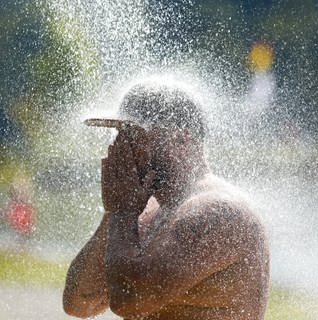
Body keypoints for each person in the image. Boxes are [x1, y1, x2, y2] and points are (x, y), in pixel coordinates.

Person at [63, 82, 269, 320]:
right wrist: (114, 212)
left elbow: (129, 300)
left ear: (182, 140)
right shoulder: (143, 211)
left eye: (133, 134)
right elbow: (78, 303)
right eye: (119, 134)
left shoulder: (218, 211)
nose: (122, 147)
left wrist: (121, 210)